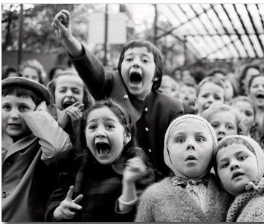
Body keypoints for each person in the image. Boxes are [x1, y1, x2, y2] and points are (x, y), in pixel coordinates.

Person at [52, 10, 184, 180]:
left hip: (158, 186)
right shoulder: (110, 85)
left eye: (144, 60)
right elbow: (91, 68)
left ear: (157, 74)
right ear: (120, 69)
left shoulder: (170, 106)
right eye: (129, 59)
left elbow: (177, 153)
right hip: (113, 183)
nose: (135, 63)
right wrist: (68, 39)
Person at [45, 100, 154, 222]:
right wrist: (58, 212)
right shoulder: (76, 165)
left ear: (126, 135)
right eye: (92, 127)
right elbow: (54, 203)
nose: (100, 133)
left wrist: (128, 184)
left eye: (109, 126)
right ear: (85, 136)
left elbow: (140, 216)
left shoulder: (137, 167)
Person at [135, 115, 233, 222]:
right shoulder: (152, 196)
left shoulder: (228, 187)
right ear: (167, 151)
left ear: (214, 147)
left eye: (200, 139)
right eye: (180, 140)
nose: (190, 144)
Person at [2, 77, 72, 222]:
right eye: (6, 107)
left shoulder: (41, 142)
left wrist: (41, 113)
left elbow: (58, 149)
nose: (14, 116)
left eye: (23, 108)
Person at [214, 135, 264, 222]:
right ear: (219, 180)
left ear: (260, 161)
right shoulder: (222, 215)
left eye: (242, 158)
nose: (233, 165)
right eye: (225, 164)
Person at [47, 70, 94, 148]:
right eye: (62, 91)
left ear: (84, 98)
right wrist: (60, 126)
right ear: (53, 96)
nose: (69, 95)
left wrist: (77, 128)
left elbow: (82, 157)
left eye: (76, 91)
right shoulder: (44, 120)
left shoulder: (91, 122)